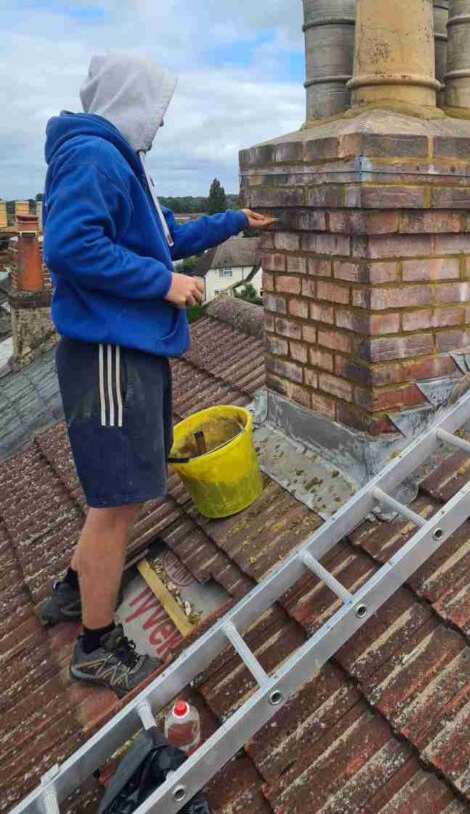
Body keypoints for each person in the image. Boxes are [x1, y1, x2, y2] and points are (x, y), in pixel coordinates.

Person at [39, 54, 275, 696]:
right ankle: (96, 647)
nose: (161, 123)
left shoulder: (120, 161)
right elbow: (70, 246)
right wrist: (165, 283)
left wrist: (234, 221)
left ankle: (72, 590)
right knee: (117, 500)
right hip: (109, 353)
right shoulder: (93, 156)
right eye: (158, 109)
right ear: (131, 100)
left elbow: (162, 234)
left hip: (123, 349)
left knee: (121, 491)